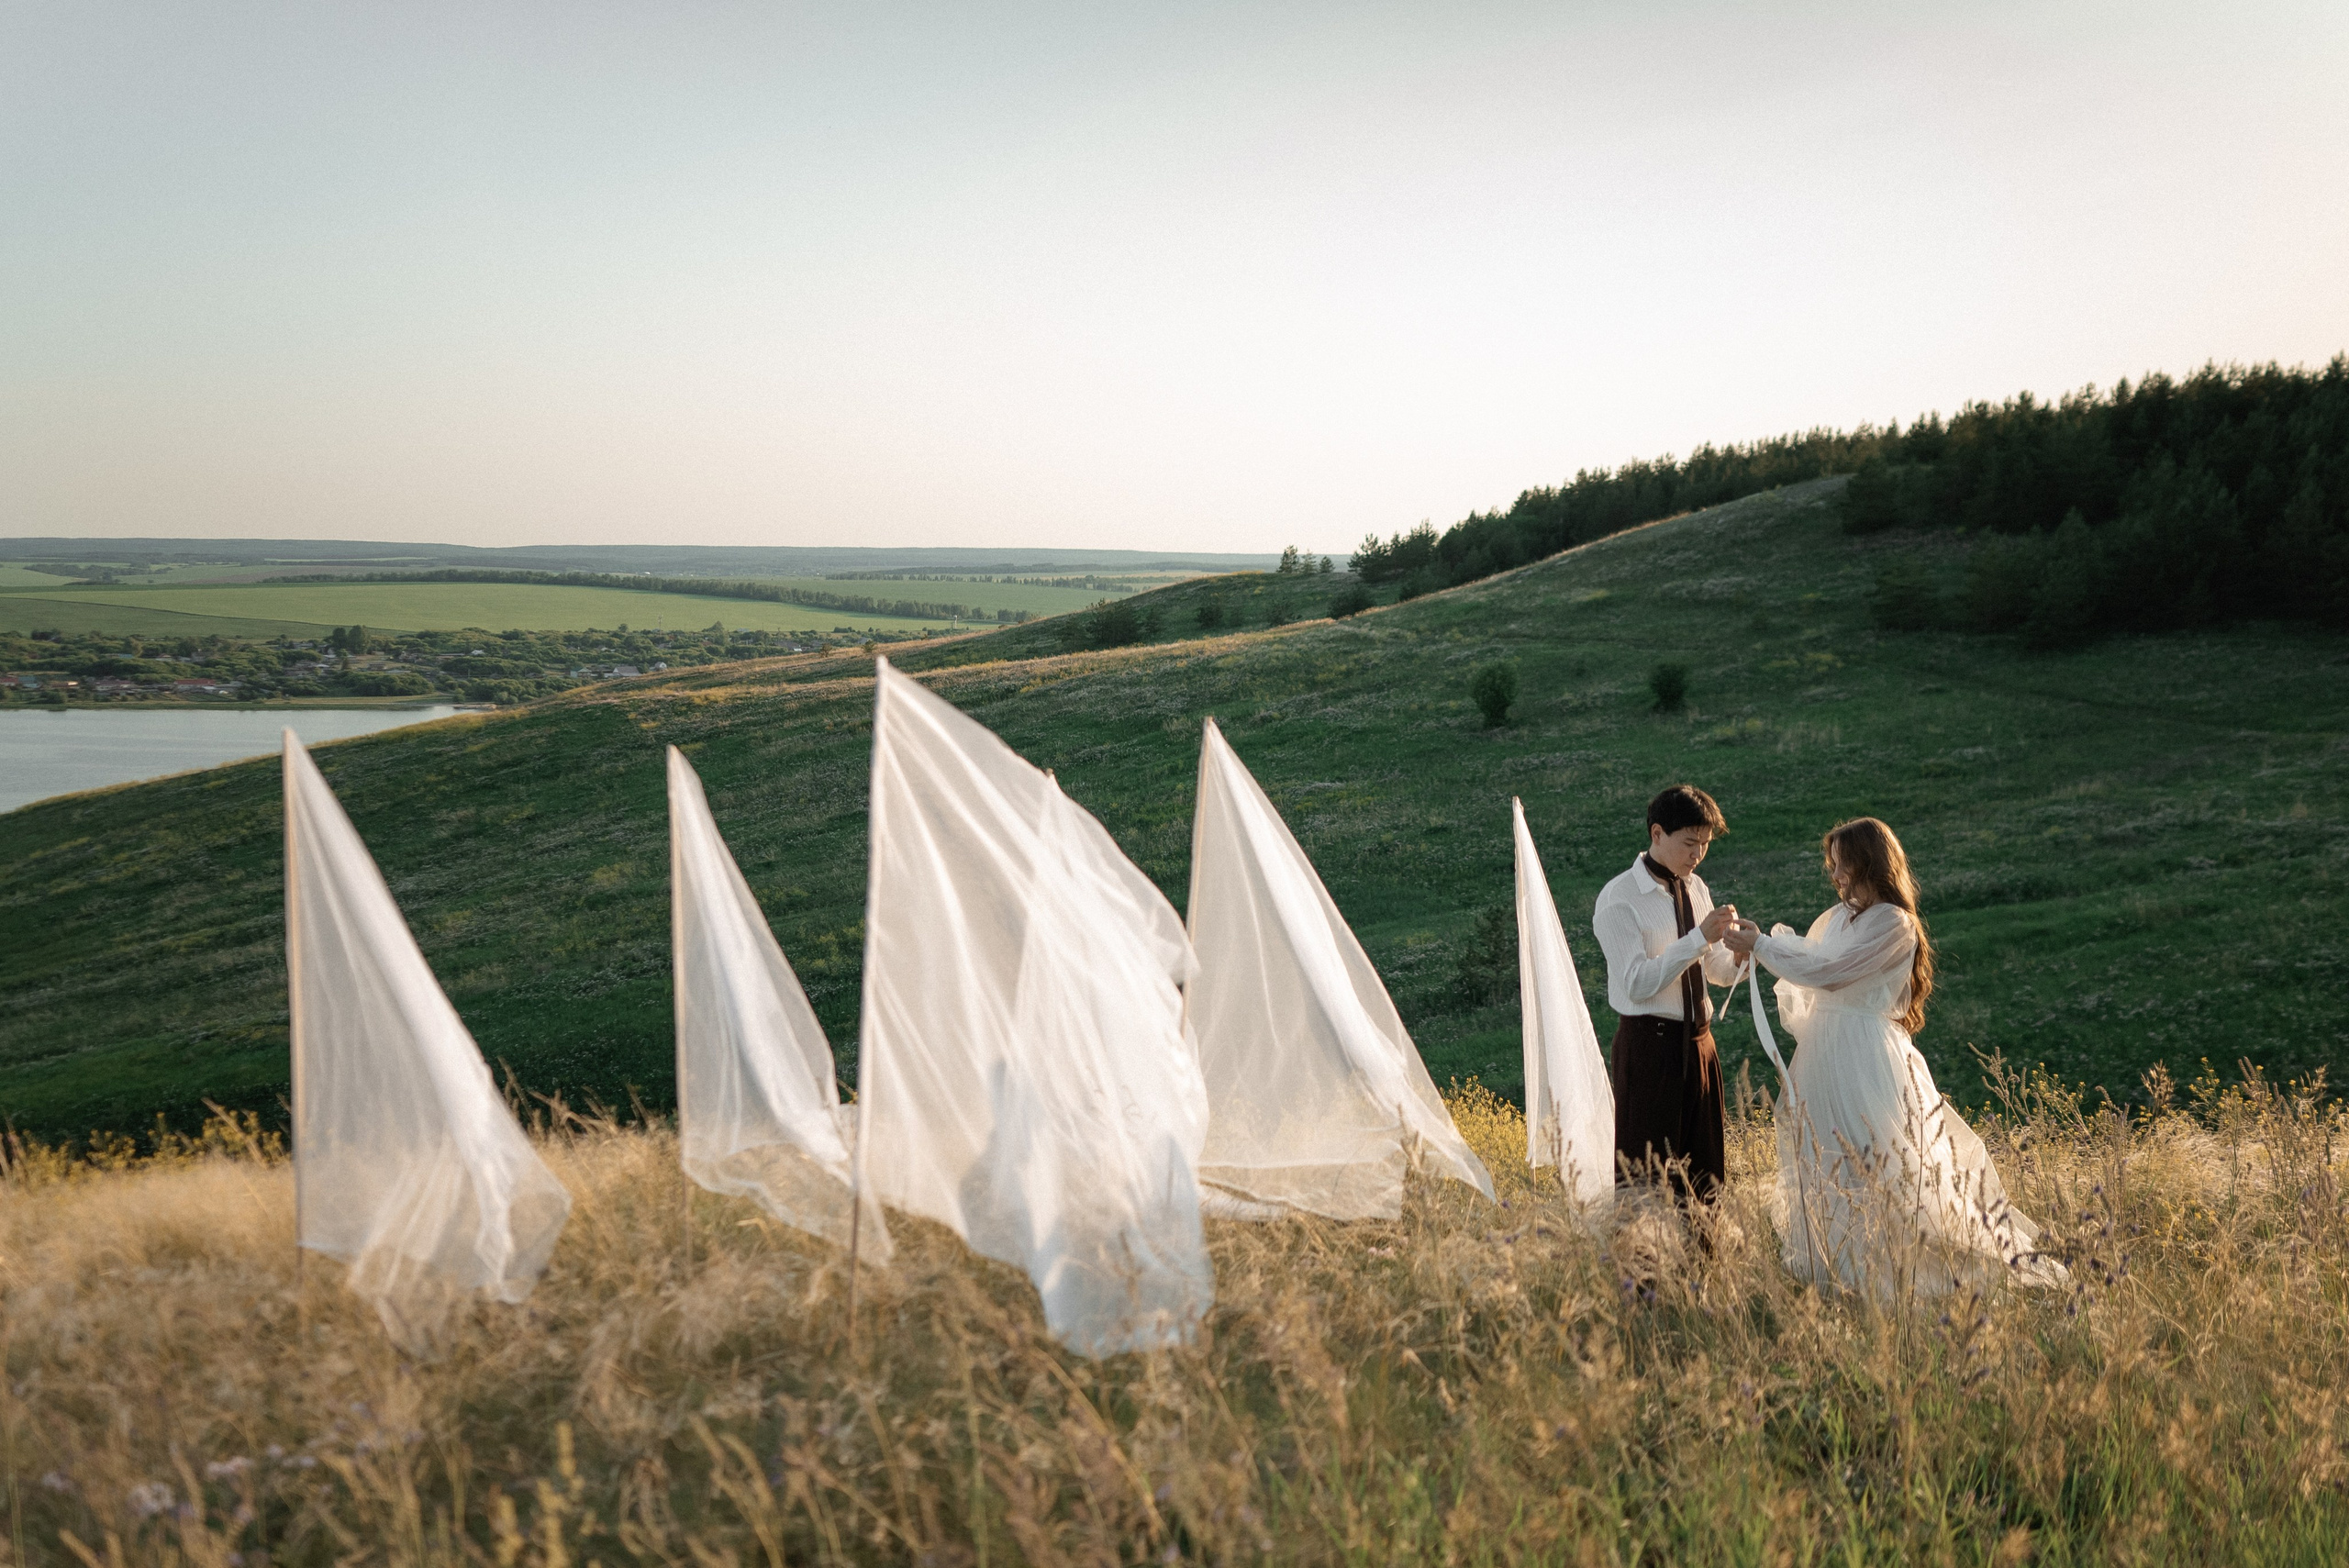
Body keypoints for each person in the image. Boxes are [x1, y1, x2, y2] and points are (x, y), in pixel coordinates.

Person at [1723, 817, 2066, 1297]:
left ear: (1870, 862)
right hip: (1822, 1054)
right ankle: (1839, 1270)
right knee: (1829, 1159)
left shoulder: (1895, 923)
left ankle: (1901, 1275)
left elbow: (1835, 973)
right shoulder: (1838, 917)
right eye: (1833, 864)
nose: (1836, 874)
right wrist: (1765, 944)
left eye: (1843, 863)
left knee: (1883, 1160)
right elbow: (1810, 957)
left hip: (1865, 1054)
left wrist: (1761, 946)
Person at [1591, 784, 1744, 1204]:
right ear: (1657, 834)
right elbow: (1636, 984)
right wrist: (1697, 938)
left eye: (1706, 845)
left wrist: (1743, 956)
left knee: (1706, 1175)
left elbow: (1713, 971)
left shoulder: (1696, 888)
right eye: (1689, 843)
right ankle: (1644, 1269)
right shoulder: (1618, 898)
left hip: (1700, 1045)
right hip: (1650, 1047)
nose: (1697, 855)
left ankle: (1704, 1266)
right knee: (1649, 1177)